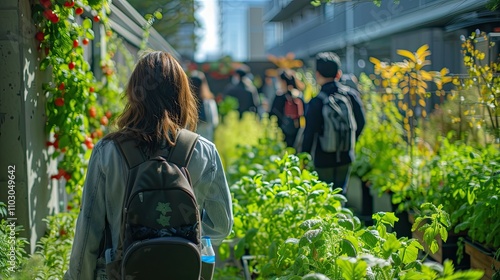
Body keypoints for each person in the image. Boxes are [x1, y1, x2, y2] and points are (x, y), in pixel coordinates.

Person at [64, 51, 234, 279]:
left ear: (135, 93)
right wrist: (181, 236)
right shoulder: (204, 150)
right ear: (181, 94)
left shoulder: (108, 150)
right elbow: (222, 225)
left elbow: (88, 233)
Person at [301, 52, 366, 193]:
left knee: (325, 200)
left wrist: (303, 159)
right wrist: (348, 140)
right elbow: (361, 123)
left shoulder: (316, 101)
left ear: (317, 75)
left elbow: (309, 133)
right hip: (346, 155)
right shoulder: (350, 95)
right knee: (340, 196)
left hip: (323, 158)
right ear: (338, 74)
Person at [269, 69, 305, 148]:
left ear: (283, 81)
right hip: (296, 129)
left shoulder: (280, 97)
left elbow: (272, 113)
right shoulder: (298, 95)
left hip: (283, 130)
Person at [190, 70, 219, 142]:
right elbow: (214, 122)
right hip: (205, 140)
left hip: (189, 142)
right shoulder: (209, 102)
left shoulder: (186, 103)